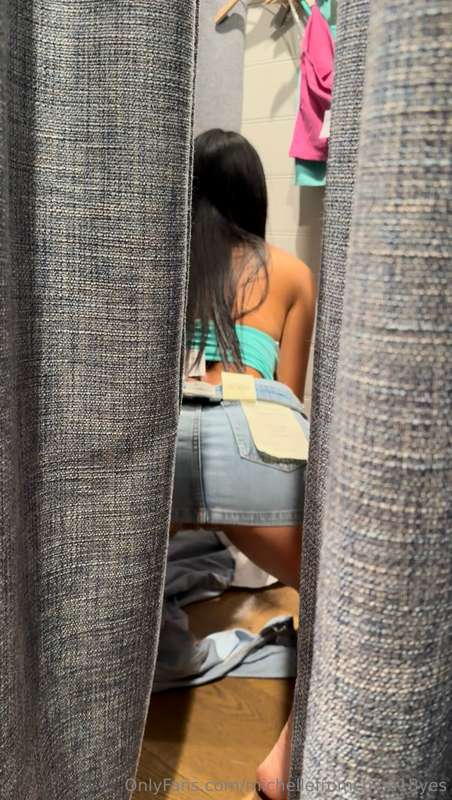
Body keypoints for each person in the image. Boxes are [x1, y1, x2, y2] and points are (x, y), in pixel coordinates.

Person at [170, 129, 317, 800]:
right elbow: (288, 399)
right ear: (254, 198)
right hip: (251, 433)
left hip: (164, 439)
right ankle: (285, 758)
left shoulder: (165, 263)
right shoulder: (290, 272)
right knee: (329, 596)